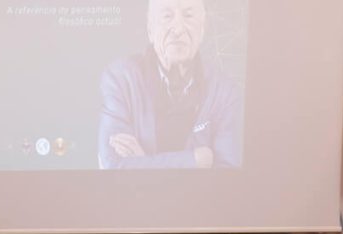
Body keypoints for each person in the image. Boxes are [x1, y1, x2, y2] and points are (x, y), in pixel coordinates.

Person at [98, 0, 243, 170]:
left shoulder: (225, 92)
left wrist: (143, 163)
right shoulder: (121, 78)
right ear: (150, 30)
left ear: (202, 29)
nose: (178, 29)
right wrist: (196, 160)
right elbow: (113, 165)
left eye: (188, 15)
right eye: (167, 16)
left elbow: (227, 173)